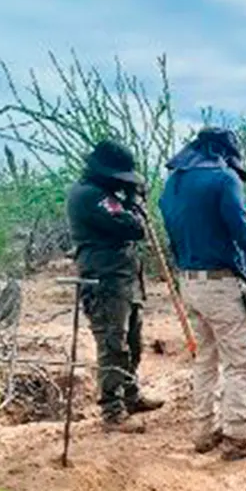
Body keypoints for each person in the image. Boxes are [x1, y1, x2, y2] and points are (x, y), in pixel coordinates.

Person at [159, 127, 246, 460]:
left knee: (206, 359)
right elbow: (243, 233)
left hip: (188, 281)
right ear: (225, 152)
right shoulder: (224, 178)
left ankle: (203, 433)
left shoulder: (172, 183)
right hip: (220, 283)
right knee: (243, 363)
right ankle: (236, 437)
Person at [66, 140, 164, 434]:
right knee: (112, 344)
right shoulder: (89, 196)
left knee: (133, 340)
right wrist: (134, 202)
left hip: (124, 277)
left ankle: (130, 395)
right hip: (105, 279)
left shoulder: (106, 194)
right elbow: (134, 227)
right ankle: (112, 409)